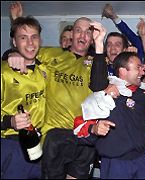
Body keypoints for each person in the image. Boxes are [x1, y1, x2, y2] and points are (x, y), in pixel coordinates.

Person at [6, 15, 108, 178]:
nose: (82, 35)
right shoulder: (51, 54)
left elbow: (99, 87)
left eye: (87, 32)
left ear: (92, 37)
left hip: (84, 134)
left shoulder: (96, 62)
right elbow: (27, 49)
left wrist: (100, 44)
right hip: (54, 136)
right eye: (78, 30)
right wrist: (13, 53)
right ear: (71, 34)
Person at [77, 51, 145, 179]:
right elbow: (79, 128)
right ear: (123, 71)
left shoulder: (143, 95)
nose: (142, 72)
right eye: (138, 68)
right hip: (115, 163)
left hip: (141, 160)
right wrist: (94, 128)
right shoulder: (104, 94)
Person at [1, 16, 46, 179]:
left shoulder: (44, 69)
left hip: (39, 144)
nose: (30, 43)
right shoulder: (3, 72)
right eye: (23, 37)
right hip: (11, 143)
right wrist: (9, 121)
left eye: (34, 37)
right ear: (14, 42)